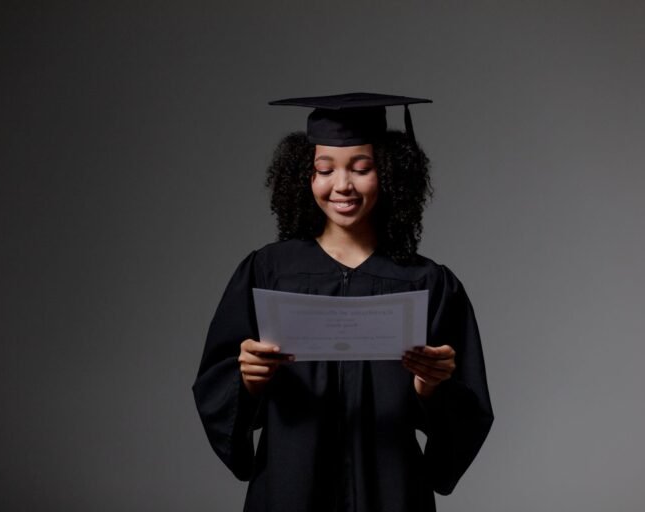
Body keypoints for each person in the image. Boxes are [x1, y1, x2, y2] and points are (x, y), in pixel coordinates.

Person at [192, 92, 493, 512]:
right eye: (324, 169)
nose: (342, 185)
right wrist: (247, 381)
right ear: (304, 176)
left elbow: (468, 413)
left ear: (388, 172)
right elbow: (215, 385)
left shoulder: (426, 282)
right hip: (289, 487)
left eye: (362, 168)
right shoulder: (268, 271)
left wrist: (432, 389)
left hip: (390, 489)